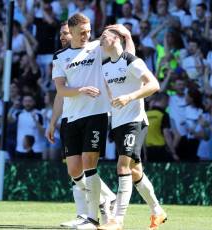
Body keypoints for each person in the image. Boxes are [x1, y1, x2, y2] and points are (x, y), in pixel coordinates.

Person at [51, 16, 137, 229]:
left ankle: (92, 218)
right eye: (82, 31)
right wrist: (79, 90)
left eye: (89, 31)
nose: (86, 35)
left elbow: (129, 58)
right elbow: (61, 90)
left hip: (97, 113)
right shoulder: (60, 56)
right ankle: (105, 198)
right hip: (71, 117)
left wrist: (127, 36)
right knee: (74, 170)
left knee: (89, 162)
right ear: (71, 30)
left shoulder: (97, 48)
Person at [97, 28, 167, 230]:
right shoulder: (105, 66)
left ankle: (117, 220)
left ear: (116, 38)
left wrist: (129, 97)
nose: (100, 40)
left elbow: (153, 85)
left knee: (123, 167)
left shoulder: (131, 61)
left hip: (135, 121)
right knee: (136, 172)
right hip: (118, 123)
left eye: (104, 36)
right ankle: (157, 211)